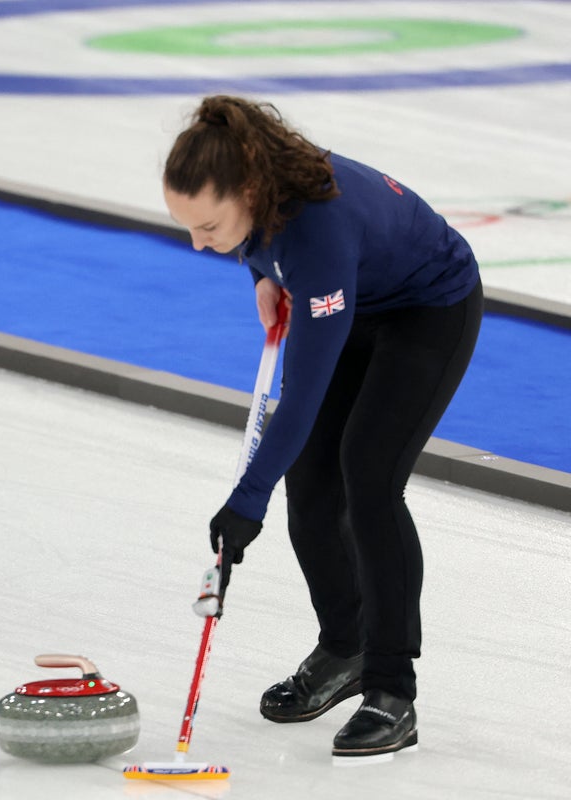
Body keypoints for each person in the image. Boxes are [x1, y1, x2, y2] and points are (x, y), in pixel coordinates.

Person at [161, 96, 482, 759]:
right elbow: (259, 244)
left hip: (429, 307)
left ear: (248, 191)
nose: (198, 244)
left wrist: (245, 501)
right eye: (189, 228)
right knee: (310, 486)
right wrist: (260, 275)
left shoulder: (318, 232)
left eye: (209, 227)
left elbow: (300, 396)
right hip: (360, 294)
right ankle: (345, 649)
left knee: (369, 478)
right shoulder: (257, 198)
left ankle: (392, 689)